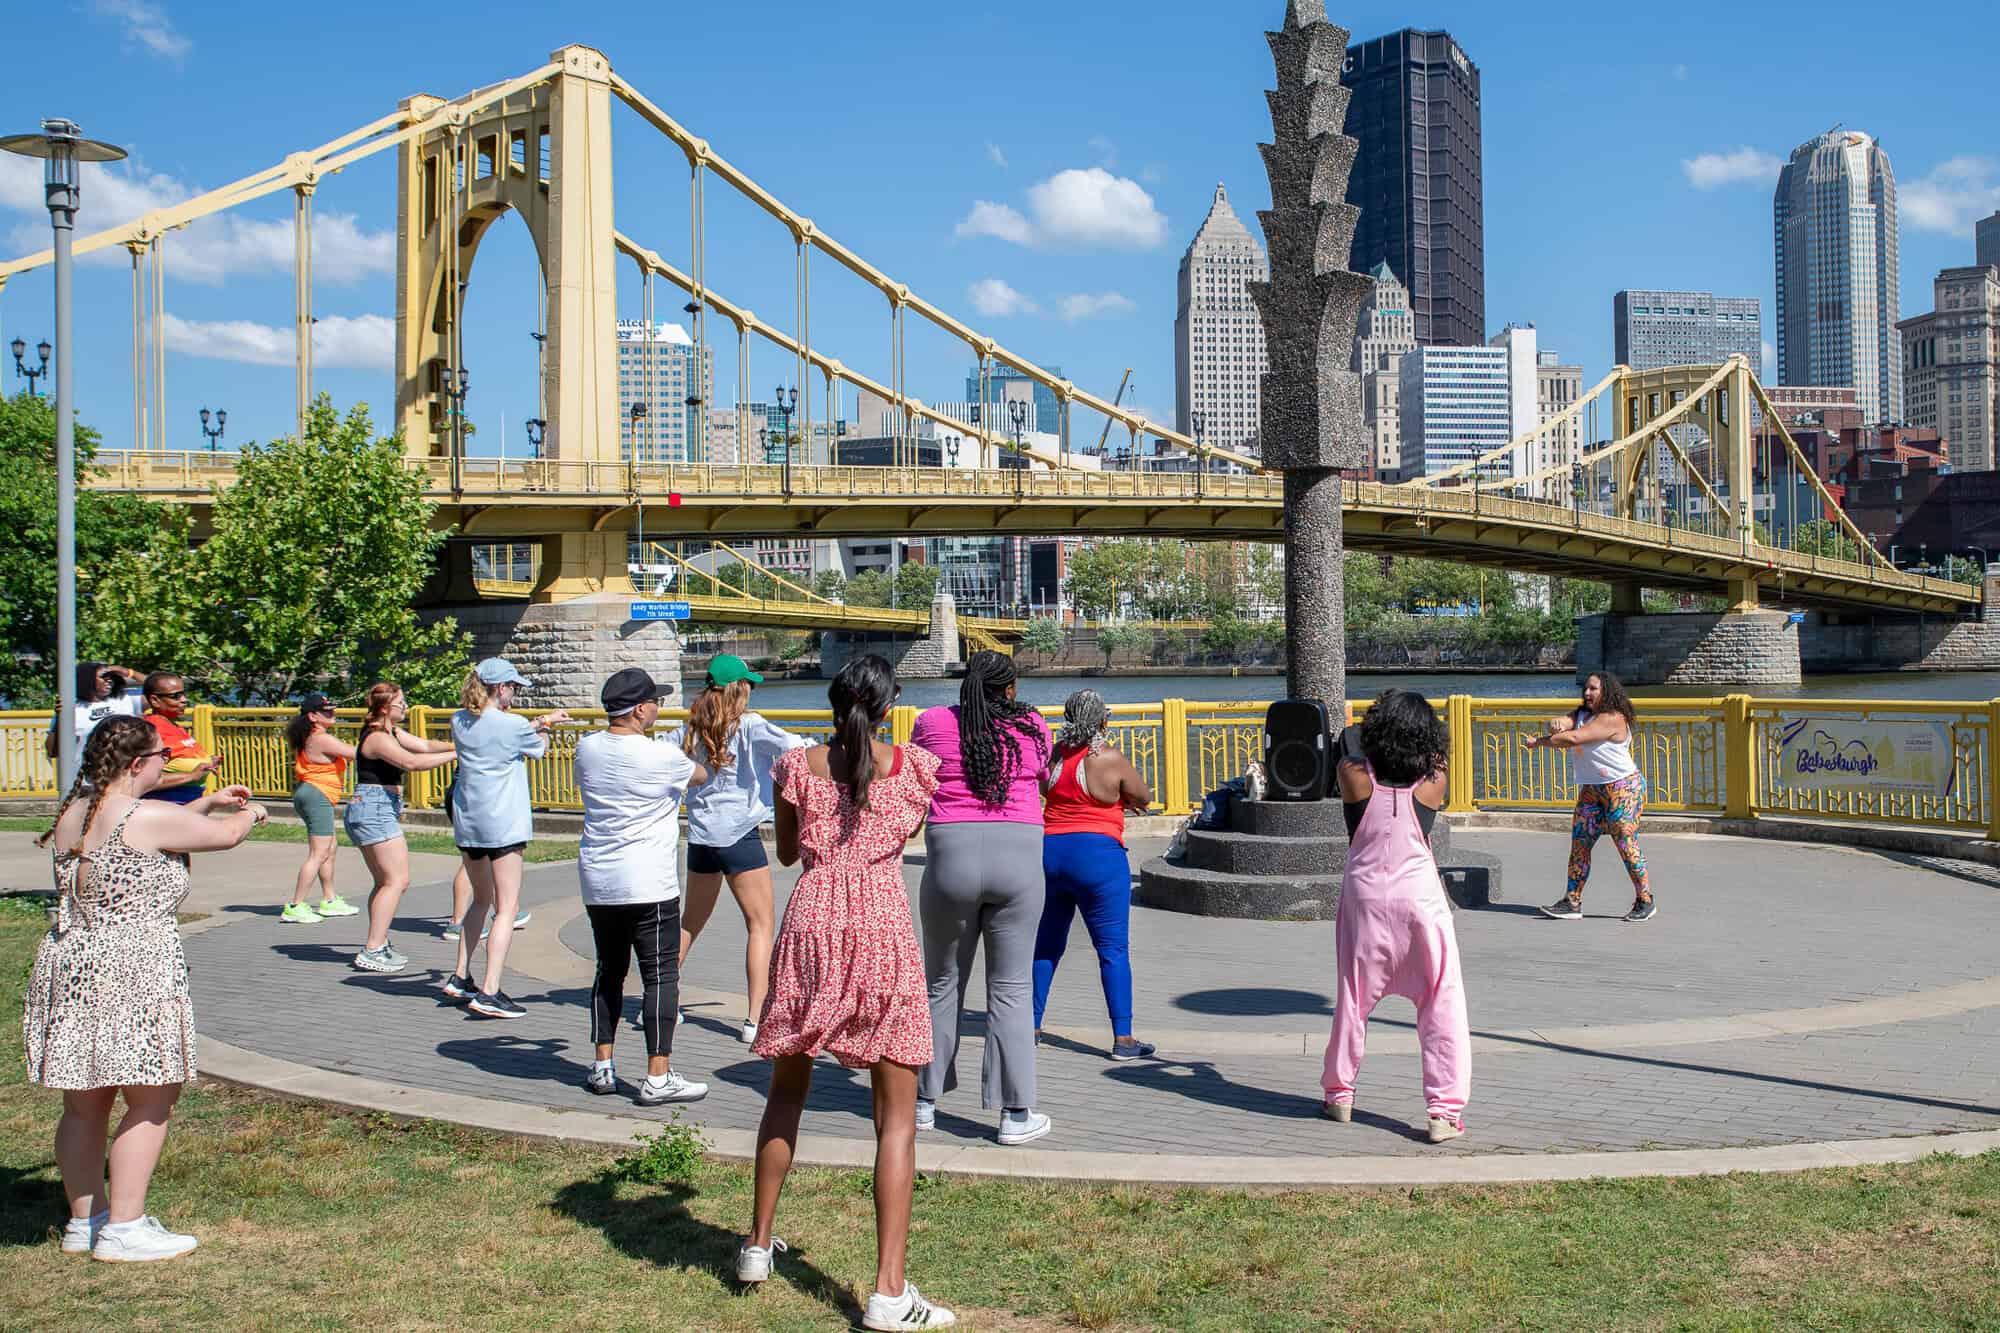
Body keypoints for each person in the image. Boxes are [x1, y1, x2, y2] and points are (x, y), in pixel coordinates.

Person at [738, 655, 955, 1332]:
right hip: (882, 923)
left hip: (811, 916)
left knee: (785, 1092)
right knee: (894, 1118)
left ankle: (756, 1244)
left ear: (832, 704)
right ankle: (889, 1291)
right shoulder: (913, 768)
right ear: (888, 707)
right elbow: (908, 830)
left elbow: (783, 852)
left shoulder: (796, 767)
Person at [25, 715, 269, 1261]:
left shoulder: (75, 813)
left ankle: (85, 1221)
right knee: (150, 1097)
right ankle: (126, 1228)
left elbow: (146, 825)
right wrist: (251, 811)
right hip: (134, 967)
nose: (169, 763)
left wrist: (201, 803)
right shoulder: (147, 817)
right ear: (138, 764)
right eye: (163, 757)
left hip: (75, 962)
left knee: (84, 1104)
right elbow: (227, 837)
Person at [910, 650, 1052, 1146]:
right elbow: (1042, 779)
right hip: (1020, 852)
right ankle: (1015, 1114)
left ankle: (923, 1103)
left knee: (942, 984)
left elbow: (917, 779)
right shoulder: (1032, 724)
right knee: (1010, 988)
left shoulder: (931, 723)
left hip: (951, 855)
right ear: (1009, 689)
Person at [1320, 689, 1470, 1145]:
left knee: (1352, 998)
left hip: (1365, 897)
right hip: (1420, 899)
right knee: (1441, 1002)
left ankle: (1339, 1093)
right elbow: (1437, 758)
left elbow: (1349, 741)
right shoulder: (1434, 782)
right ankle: (1443, 1113)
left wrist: (1363, 728)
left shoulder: (1353, 776)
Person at [571, 667, 711, 1105]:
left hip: (599, 879)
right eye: (654, 702)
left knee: (608, 971)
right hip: (648, 882)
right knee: (660, 976)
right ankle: (658, 1074)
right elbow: (701, 776)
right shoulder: (661, 758)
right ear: (639, 710)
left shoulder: (586, 748)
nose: (658, 707)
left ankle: (602, 1066)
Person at [678, 653, 805, 1044]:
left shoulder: (691, 728)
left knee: (689, 923)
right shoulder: (749, 726)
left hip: (700, 837)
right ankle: (755, 1018)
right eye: (748, 684)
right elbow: (797, 748)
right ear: (740, 689)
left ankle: (662, 1000)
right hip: (740, 837)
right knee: (761, 925)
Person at [1032, 688, 1156, 1060]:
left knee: (1046, 945)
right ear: (1103, 720)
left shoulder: (1054, 755)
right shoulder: (1110, 758)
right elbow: (1144, 795)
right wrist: (1120, 801)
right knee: (1113, 949)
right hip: (1099, 859)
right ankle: (1123, 1038)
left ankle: (1030, 1026)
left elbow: (1044, 789)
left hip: (1050, 855)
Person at [449, 658, 569, 1018]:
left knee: (480, 900)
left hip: (468, 822)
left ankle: (459, 976)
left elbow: (499, 733)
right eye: (513, 688)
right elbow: (537, 748)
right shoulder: (513, 724)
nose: (515, 694)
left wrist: (532, 725)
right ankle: (490, 990)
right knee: (508, 908)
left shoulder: (459, 720)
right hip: (502, 824)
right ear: (500, 688)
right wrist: (545, 725)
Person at [346, 682, 458, 972]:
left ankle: (378, 943)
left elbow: (423, 746)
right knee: (397, 881)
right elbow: (412, 761)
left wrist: (459, 745)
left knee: (385, 882)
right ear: (385, 708)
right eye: (401, 703)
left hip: (375, 807)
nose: (405, 707)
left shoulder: (391, 732)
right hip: (374, 808)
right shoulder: (377, 737)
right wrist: (460, 756)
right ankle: (372, 948)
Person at [1529, 671, 1655, 923]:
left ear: (1606, 691)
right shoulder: (1583, 714)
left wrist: (1542, 741)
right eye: (1586, 688)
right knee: (1580, 843)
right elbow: (1567, 723)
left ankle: (1645, 900)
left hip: (1623, 788)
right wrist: (1558, 723)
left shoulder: (1614, 719)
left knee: (1625, 843)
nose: (1587, 693)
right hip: (1592, 789)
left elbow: (1575, 737)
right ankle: (1572, 901)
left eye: (1593, 689)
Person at [280, 694, 360, 924]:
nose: (332, 714)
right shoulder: (321, 738)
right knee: (318, 853)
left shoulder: (311, 736)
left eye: (332, 710)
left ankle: (330, 899)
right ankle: (295, 905)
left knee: (329, 848)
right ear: (312, 716)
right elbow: (358, 753)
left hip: (312, 793)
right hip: (318, 795)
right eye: (326, 712)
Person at [138, 672, 221, 807]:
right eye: (175, 696)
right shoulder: (150, 730)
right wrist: (191, 776)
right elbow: (141, 780)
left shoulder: (174, 726)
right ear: (154, 700)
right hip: (166, 808)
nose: (184, 700)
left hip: (189, 805)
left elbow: (178, 760)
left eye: (183, 694)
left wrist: (208, 761)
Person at [45, 661, 145, 760]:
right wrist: (61, 717)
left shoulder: (125, 698)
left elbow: (157, 686)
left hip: (124, 771)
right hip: (86, 772)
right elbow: (52, 751)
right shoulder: (72, 708)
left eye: (111, 676)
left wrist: (129, 672)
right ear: (87, 679)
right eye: (103, 676)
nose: (109, 680)